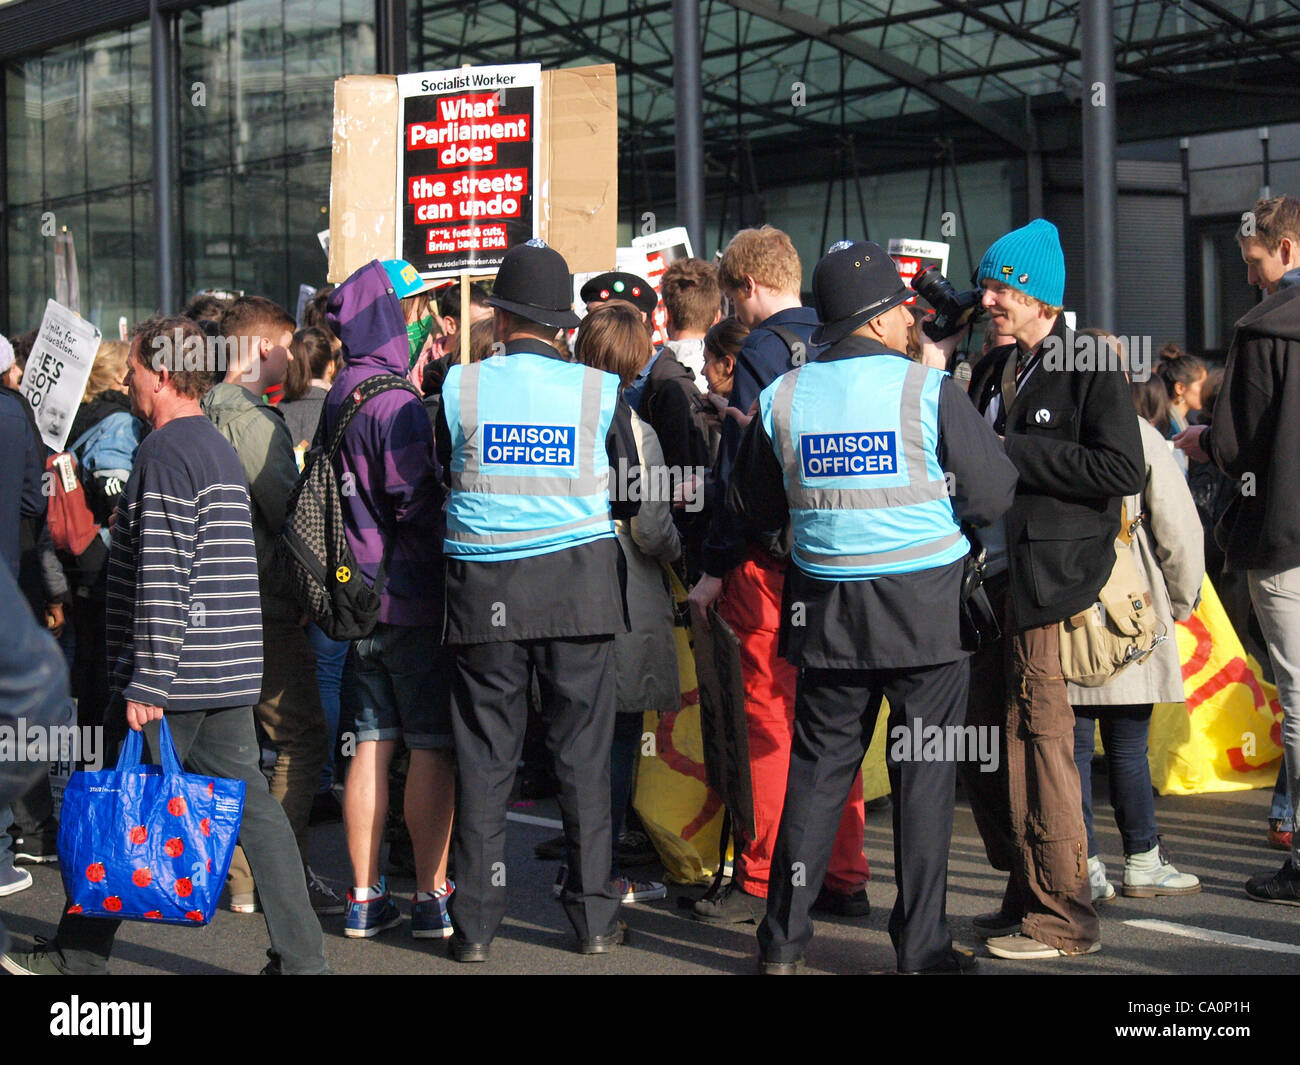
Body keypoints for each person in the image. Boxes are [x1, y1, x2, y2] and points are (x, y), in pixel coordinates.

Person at [0, 315, 328, 975]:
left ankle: (79, 954)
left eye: (140, 370)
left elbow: (168, 576)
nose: (129, 381)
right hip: (224, 664)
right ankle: (301, 958)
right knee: (249, 812)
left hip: (178, 672)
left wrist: (147, 682)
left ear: (167, 374)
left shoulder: (167, 449)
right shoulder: (207, 444)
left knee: (121, 801)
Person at [731, 241, 1016, 973]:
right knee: (924, 780)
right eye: (903, 312)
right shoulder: (928, 391)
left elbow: (755, 503)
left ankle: (783, 941)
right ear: (885, 319)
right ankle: (920, 946)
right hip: (926, 612)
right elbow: (991, 493)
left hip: (826, 614)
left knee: (818, 774)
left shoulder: (782, 397)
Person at [436, 239, 640, 960]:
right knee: (582, 758)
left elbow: (440, 474)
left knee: (485, 759)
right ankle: (590, 918)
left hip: (483, 591)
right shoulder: (598, 390)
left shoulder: (459, 387)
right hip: (578, 590)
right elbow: (635, 490)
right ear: (561, 324)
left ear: (498, 316)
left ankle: (475, 927)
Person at [961, 218, 1145, 960]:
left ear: (1037, 295)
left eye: (1001, 286)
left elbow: (1121, 470)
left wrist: (1015, 452)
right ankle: (1023, 893)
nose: (988, 298)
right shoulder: (1000, 363)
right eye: (988, 284)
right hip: (988, 584)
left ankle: (1062, 915)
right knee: (986, 748)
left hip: (1044, 586)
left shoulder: (1087, 362)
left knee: (1039, 746)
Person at [688, 225, 871, 925]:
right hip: (833, 557)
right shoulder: (841, 337)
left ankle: (761, 876)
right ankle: (844, 874)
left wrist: (714, 564)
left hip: (767, 562)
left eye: (732, 300)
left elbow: (746, 471)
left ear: (748, 288)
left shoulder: (762, 349)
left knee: (767, 716)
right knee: (833, 723)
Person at [324, 259, 457, 940]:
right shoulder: (396, 403)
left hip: (357, 599)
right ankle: (431, 896)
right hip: (409, 596)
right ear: (387, 316)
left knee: (369, 744)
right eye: (412, 309)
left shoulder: (342, 389)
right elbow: (417, 502)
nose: (422, 322)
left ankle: (363, 895)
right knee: (431, 743)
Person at [1175, 195, 1300, 905]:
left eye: (1254, 262)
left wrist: (1200, 442)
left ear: (1284, 250)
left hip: (1282, 534)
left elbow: (1232, 442)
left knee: (1297, 692)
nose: (1250, 277)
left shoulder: (1261, 329)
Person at [202, 296, 338, 917]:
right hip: (263, 603)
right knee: (300, 739)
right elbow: (289, 517)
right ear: (262, 349)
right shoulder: (253, 421)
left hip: (211, 605)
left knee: (233, 745)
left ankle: (239, 876)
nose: (293, 354)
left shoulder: (194, 411)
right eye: (286, 342)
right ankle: (267, 874)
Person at [1070, 333, 1204, 903]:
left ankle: (1085, 866)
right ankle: (1143, 860)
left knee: (1070, 749)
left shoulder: (1049, 432)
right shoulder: (1142, 435)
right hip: (1133, 603)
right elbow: (1179, 529)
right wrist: (1180, 600)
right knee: (1127, 746)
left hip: (1065, 604)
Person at [571, 301, 681, 903]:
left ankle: (577, 860)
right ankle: (601, 869)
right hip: (621, 594)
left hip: (556, 589)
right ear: (636, 360)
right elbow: (651, 528)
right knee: (615, 740)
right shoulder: (638, 432)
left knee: (574, 735)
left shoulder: (557, 415)